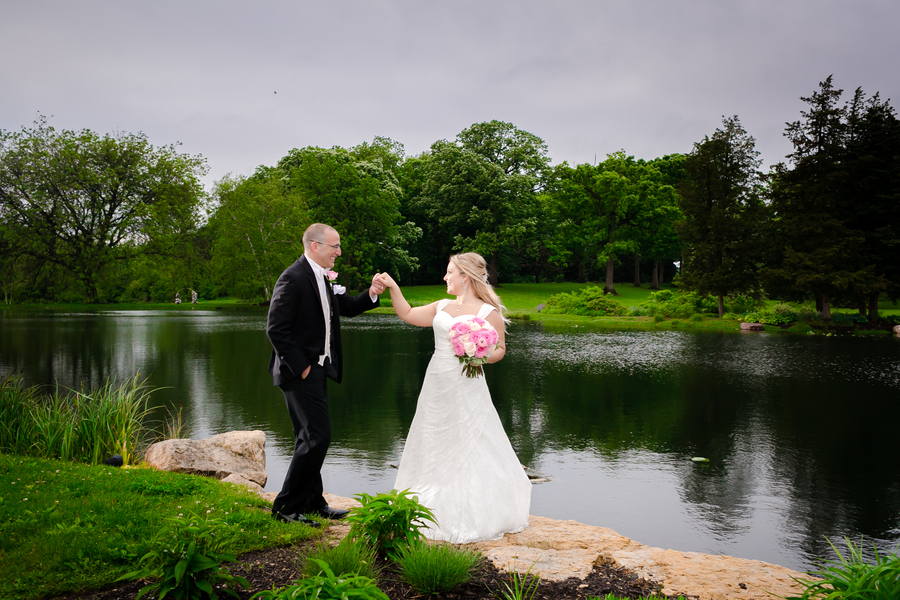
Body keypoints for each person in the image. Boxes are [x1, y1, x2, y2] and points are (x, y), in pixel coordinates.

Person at [376, 253, 531, 543]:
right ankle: (426, 506)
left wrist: (480, 355)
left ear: (465, 277)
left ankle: (470, 511)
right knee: (433, 436)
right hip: (437, 383)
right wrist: (394, 288)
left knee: (469, 441)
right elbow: (408, 314)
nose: (445, 277)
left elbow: (500, 349)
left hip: (467, 382)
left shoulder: (488, 312)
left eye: (449, 272)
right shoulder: (442, 306)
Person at [266, 223, 385, 527]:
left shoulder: (323, 277)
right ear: (315, 246)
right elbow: (276, 329)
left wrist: (371, 293)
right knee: (317, 436)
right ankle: (285, 507)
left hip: (318, 369)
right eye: (335, 246)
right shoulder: (292, 278)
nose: (339, 252)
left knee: (309, 437)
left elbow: (345, 307)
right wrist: (303, 366)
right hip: (299, 372)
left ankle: (312, 501)